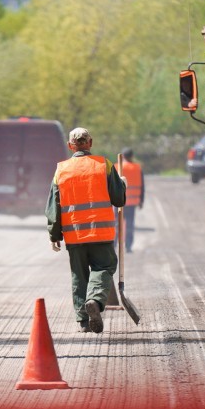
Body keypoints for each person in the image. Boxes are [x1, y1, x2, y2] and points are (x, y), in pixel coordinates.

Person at [46, 127, 127, 333]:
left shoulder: (61, 170)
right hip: (101, 233)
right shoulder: (104, 165)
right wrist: (122, 185)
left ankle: (83, 321)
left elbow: (54, 206)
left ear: (70, 146)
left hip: (74, 236)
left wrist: (54, 235)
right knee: (104, 267)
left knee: (79, 276)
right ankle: (95, 300)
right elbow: (119, 200)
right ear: (90, 143)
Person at [116, 147, 145, 253]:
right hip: (132, 203)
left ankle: (114, 244)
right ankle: (128, 246)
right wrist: (141, 200)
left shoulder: (116, 167)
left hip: (118, 201)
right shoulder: (137, 168)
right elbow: (142, 186)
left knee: (117, 223)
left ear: (123, 156)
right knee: (129, 224)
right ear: (132, 156)